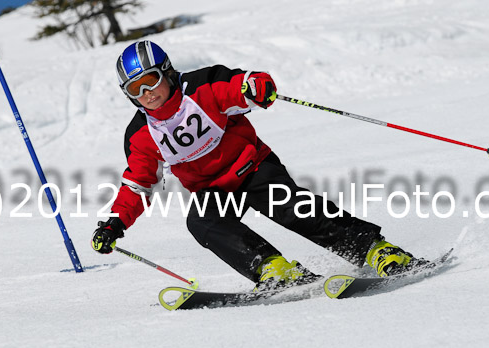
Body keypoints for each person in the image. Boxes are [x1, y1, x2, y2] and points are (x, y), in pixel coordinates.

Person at [91, 40, 415, 291]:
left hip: (252, 168)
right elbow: (139, 183)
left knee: (291, 208)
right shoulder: (140, 134)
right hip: (212, 189)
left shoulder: (202, 86)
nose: (146, 94)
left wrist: (255, 87)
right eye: (135, 89)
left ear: (168, 72)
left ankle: (375, 250)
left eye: (150, 81)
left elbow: (240, 86)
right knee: (203, 223)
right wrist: (115, 223)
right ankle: (273, 268)